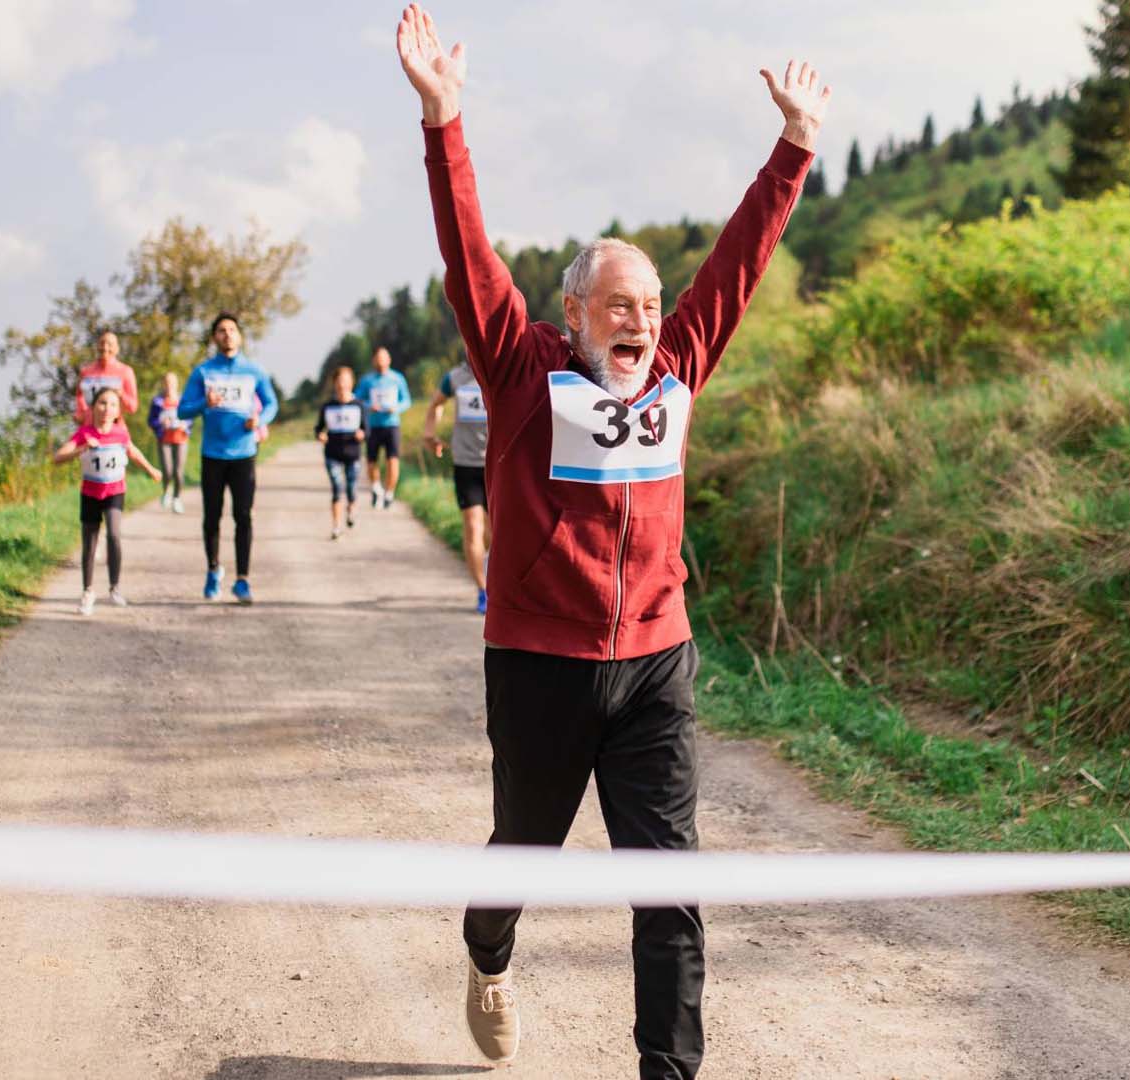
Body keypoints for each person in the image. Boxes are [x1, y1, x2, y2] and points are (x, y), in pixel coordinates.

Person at [397, 5, 827, 1076]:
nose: (641, 321)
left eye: (651, 305)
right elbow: (468, 254)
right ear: (575, 313)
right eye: (618, 306)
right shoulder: (519, 368)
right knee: (523, 853)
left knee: (669, 888)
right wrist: (444, 121)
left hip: (654, 663)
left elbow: (738, 264)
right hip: (539, 662)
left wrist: (794, 148)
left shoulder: (678, 365)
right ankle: (488, 951)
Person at [177, 313, 279, 605]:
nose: (227, 334)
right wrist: (203, 403)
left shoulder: (254, 371)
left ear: (240, 336)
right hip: (213, 454)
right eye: (221, 330)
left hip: (244, 454)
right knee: (212, 517)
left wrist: (260, 420)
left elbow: (272, 403)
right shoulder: (203, 372)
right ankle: (213, 570)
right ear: (214, 338)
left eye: (232, 330)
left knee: (243, 516)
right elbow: (182, 410)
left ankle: (242, 580)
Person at [51, 386, 160, 615]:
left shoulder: (121, 434)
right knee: (89, 543)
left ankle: (114, 588)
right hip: (90, 494)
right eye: (102, 403)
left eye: (112, 404)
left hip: (114, 492)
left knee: (114, 535)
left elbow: (133, 452)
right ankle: (88, 592)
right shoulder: (84, 433)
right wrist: (82, 448)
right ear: (93, 408)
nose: (106, 408)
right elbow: (58, 457)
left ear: (118, 411)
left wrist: (151, 470)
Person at [423, 356, 491, 612]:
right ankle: (483, 591)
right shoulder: (454, 378)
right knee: (473, 527)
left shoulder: (499, 368)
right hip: (466, 463)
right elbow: (435, 405)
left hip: (497, 464)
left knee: (494, 533)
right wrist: (429, 434)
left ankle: (494, 580)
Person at [316, 365, 368, 540]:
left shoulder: (359, 405)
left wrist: (362, 434)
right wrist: (320, 435)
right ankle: (336, 526)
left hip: (353, 454)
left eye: (345, 381)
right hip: (333, 454)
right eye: (339, 381)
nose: (342, 384)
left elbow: (367, 429)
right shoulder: (327, 406)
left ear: (351, 382)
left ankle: (351, 509)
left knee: (352, 489)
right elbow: (318, 428)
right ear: (334, 383)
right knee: (337, 489)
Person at [356, 347, 411, 508]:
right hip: (372, 426)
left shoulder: (397, 378)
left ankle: (389, 493)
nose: (381, 362)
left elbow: (407, 400)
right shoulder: (367, 380)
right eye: (378, 359)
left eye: (383, 358)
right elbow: (357, 399)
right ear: (373, 361)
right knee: (371, 461)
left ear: (389, 360)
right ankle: (376, 487)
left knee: (392, 460)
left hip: (392, 425)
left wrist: (397, 408)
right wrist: (369, 406)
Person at [73, 329, 139, 428]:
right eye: (102, 343)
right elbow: (80, 397)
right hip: (89, 429)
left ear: (117, 349)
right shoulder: (86, 372)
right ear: (97, 346)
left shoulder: (126, 371)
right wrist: (80, 413)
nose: (105, 347)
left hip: (115, 428)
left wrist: (121, 394)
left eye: (110, 344)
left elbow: (132, 407)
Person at [147, 371, 191, 513]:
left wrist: (186, 424)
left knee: (178, 471)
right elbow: (151, 420)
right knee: (167, 469)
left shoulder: (183, 399)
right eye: (166, 382)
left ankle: (176, 498)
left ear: (176, 384)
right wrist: (160, 424)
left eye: (172, 382)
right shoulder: (157, 401)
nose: (169, 385)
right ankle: (166, 491)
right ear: (163, 384)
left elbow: (190, 417)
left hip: (181, 439)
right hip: (164, 439)